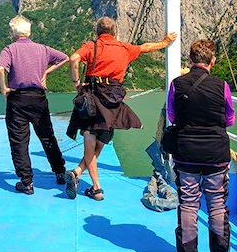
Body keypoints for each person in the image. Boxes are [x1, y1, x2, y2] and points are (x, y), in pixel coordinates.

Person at [65, 16, 176, 201]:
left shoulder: (91, 46)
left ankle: (89, 182)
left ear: (97, 32)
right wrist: (165, 42)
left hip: (93, 97)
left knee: (90, 140)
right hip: (113, 100)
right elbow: (146, 47)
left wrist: (76, 83)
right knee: (100, 142)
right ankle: (85, 179)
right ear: (114, 32)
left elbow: (73, 58)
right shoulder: (124, 48)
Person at [167, 39, 235, 252]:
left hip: (186, 152)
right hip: (216, 154)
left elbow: (172, 116)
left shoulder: (177, 84)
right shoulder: (222, 86)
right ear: (212, 61)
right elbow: (229, 120)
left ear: (190, 60)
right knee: (216, 204)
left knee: (188, 203)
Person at [0, 15, 68, 195]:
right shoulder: (42, 49)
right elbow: (64, 58)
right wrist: (45, 73)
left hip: (17, 100)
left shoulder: (9, 50)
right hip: (38, 98)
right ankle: (59, 172)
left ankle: (27, 182)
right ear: (29, 31)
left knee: (19, 141)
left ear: (13, 32)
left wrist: (4, 89)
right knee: (47, 136)